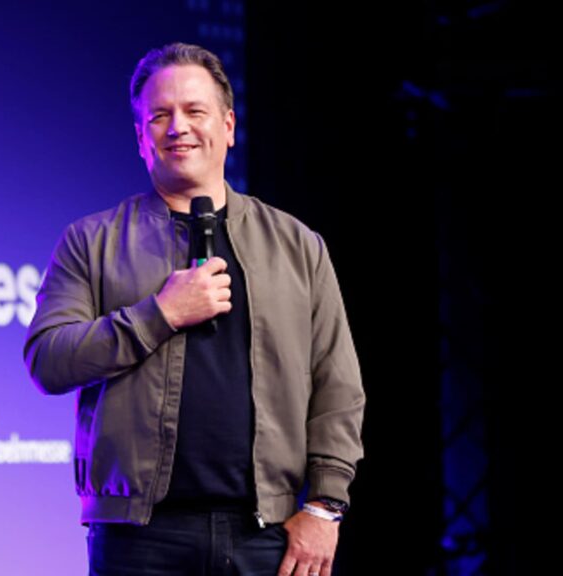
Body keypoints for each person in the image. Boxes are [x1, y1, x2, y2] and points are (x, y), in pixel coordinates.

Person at [24, 43, 364, 576]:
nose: (177, 127)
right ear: (141, 138)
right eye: (159, 116)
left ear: (228, 126)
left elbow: (338, 387)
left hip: (268, 535)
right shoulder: (91, 242)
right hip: (138, 538)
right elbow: (48, 360)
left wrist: (324, 507)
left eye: (194, 111)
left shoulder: (298, 246)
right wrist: (159, 314)